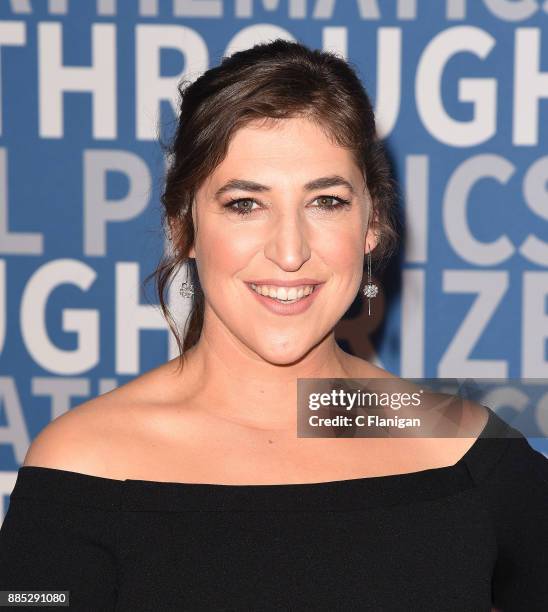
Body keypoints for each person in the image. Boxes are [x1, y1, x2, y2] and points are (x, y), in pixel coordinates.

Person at [1, 39, 547, 611]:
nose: (290, 252)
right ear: (181, 228)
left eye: (327, 201)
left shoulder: (460, 447)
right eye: (245, 204)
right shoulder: (84, 460)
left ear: (372, 224)